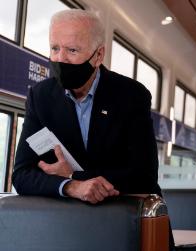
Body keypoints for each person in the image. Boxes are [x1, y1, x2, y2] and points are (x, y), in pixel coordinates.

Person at [13, 9, 161, 204]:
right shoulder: (40, 97)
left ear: (98, 55)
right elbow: (22, 175)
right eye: (55, 48)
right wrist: (71, 186)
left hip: (125, 218)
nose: (60, 58)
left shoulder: (131, 95)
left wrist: (74, 175)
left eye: (72, 50)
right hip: (66, 222)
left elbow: (143, 176)